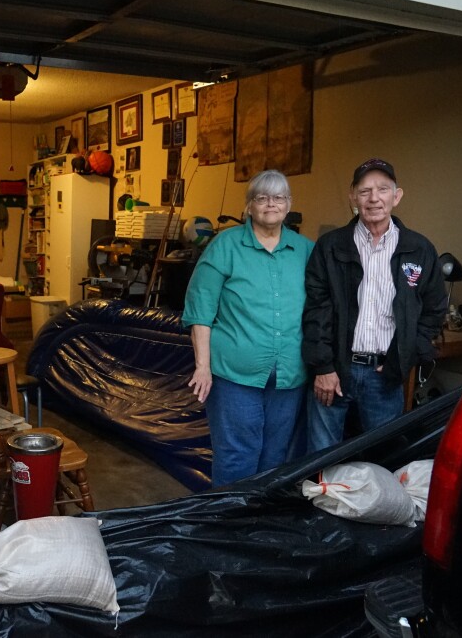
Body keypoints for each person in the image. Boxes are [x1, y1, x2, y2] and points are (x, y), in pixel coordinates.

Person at [302, 158, 446, 452]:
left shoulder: (419, 249)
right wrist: (323, 366)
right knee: (320, 461)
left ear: (397, 195)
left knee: (382, 460)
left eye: (382, 189)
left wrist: (404, 357)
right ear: (353, 197)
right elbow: (316, 308)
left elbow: (434, 309)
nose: (374, 198)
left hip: (386, 374)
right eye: (365, 191)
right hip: (334, 371)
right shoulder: (331, 246)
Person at [183, 169, 314, 487]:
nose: (271, 204)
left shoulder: (306, 250)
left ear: (289, 204)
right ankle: (229, 523)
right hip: (234, 376)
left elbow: (323, 308)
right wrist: (203, 367)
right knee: (237, 456)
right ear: (249, 206)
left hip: (290, 375)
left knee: (275, 456)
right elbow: (201, 308)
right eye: (262, 197)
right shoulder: (225, 245)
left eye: (279, 197)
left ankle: (259, 525)